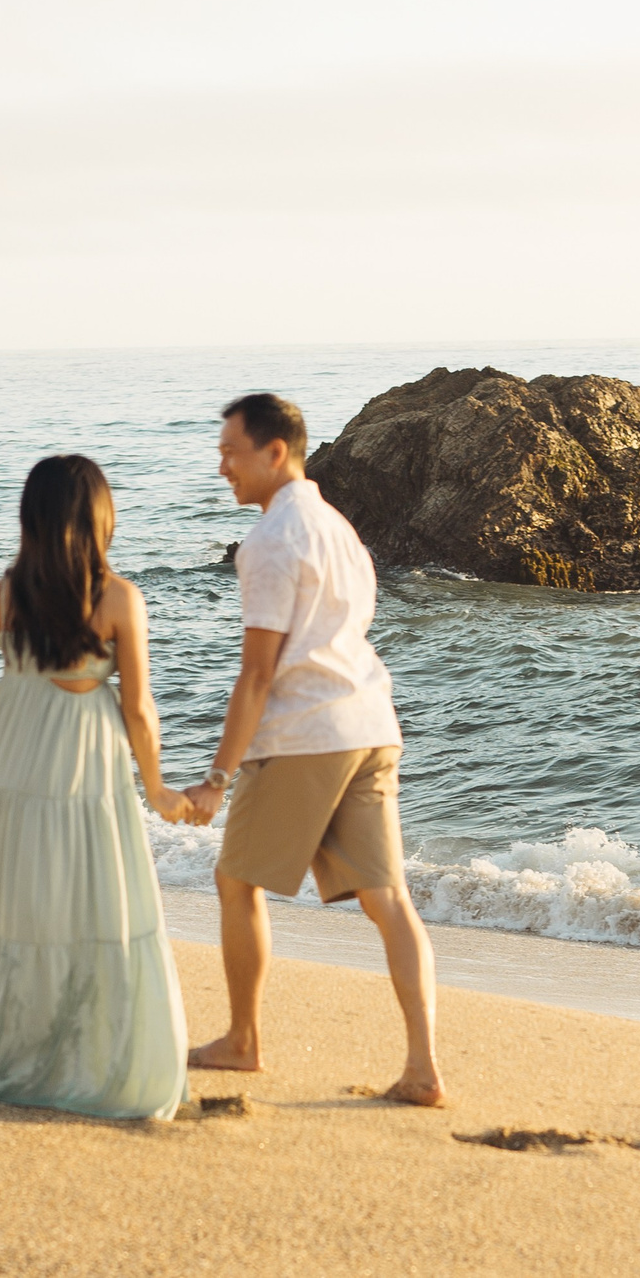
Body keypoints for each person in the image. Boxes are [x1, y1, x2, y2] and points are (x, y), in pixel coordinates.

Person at [181, 393, 446, 1107]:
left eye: (231, 451)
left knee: (236, 882)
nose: (222, 466)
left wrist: (216, 776)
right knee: (390, 900)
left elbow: (259, 672)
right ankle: (423, 1066)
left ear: (275, 452)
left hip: (305, 734)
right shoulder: (338, 529)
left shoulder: (269, 541)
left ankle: (242, 1040)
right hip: (371, 723)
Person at [0, 454, 194, 1120]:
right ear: (99, 518)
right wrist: (160, 789)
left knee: (21, 929)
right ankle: (98, 1067)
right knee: (103, 918)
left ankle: (18, 1065)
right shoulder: (116, 597)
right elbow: (138, 708)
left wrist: (5, 733)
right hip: (81, 780)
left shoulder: (3, 593)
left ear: (32, 518)